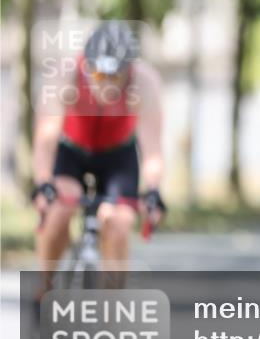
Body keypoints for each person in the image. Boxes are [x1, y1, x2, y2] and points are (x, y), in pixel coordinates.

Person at [31, 21, 166, 302]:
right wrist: (43, 182)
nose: (104, 83)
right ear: (86, 64)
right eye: (97, 73)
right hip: (72, 150)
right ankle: (45, 286)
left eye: (113, 76)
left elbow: (152, 148)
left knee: (118, 223)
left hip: (118, 155)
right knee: (59, 212)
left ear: (128, 69)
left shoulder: (144, 82)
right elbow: (46, 138)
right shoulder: (66, 75)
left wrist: (153, 190)